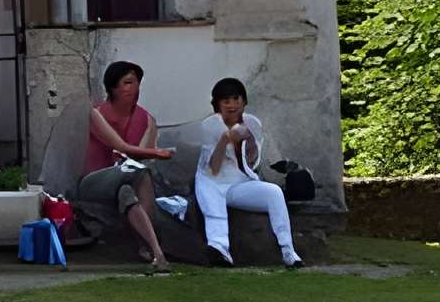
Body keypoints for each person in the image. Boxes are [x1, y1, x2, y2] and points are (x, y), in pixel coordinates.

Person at [78, 59, 175, 275]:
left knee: (128, 191)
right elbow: (122, 148)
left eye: (137, 82)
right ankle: (153, 246)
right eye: (128, 82)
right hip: (95, 181)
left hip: (127, 178)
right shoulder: (97, 114)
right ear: (113, 87)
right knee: (138, 172)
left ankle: (155, 252)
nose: (135, 88)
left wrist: (150, 143)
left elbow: (138, 160)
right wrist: (157, 153)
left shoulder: (147, 119)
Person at [194, 77, 302, 268]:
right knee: (214, 207)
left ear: (244, 101)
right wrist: (225, 140)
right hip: (212, 183)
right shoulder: (210, 125)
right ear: (217, 104)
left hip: (239, 183)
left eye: (236, 99)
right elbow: (213, 168)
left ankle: (288, 251)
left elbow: (253, 163)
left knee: (274, 192)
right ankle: (219, 249)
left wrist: (247, 140)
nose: (232, 105)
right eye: (226, 101)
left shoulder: (253, 123)